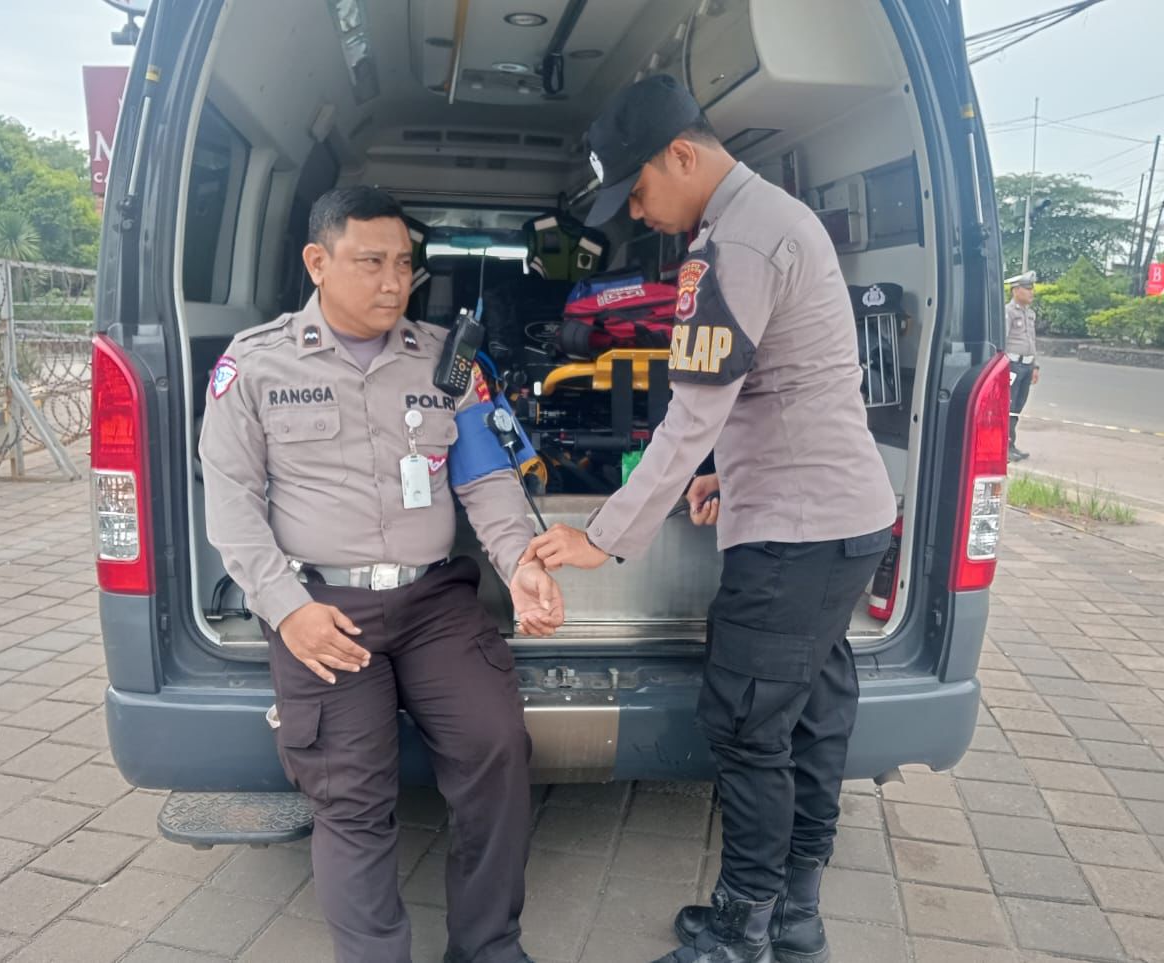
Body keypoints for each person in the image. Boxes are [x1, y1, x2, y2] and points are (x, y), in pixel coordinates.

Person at [522, 76, 895, 963]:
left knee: (746, 722)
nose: (637, 212)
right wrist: (733, 470)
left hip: (797, 535)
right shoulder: (776, 219)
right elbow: (794, 383)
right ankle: (794, 913)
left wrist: (602, 535)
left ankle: (741, 931)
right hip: (841, 515)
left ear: (682, 154)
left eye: (638, 190)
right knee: (810, 711)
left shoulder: (732, 245)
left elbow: (690, 416)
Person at [199, 186, 562, 963]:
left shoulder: (446, 360)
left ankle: (488, 946)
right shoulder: (254, 365)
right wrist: (288, 609)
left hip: (434, 601)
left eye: (404, 263)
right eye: (371, 262)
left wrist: (520, 563)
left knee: (497, 747)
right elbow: (231, 508)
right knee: (352, 794)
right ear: (317, 262)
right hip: (324, 606)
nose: (394, 282)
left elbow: (486, 479)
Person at [1004, 270, 1040, 462]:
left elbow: (1032, 341)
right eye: (1027, 289)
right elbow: (1002, 340)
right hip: (1012, 366)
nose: (1031, 292)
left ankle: (1011, 445)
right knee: (1008, 407)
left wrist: (1035, 366)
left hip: (1026, 366)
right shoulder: (1008, 312)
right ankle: (1004, 447)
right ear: (1016, 290)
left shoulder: (1030, 314)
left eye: (1031, 288)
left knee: (1017, 407)